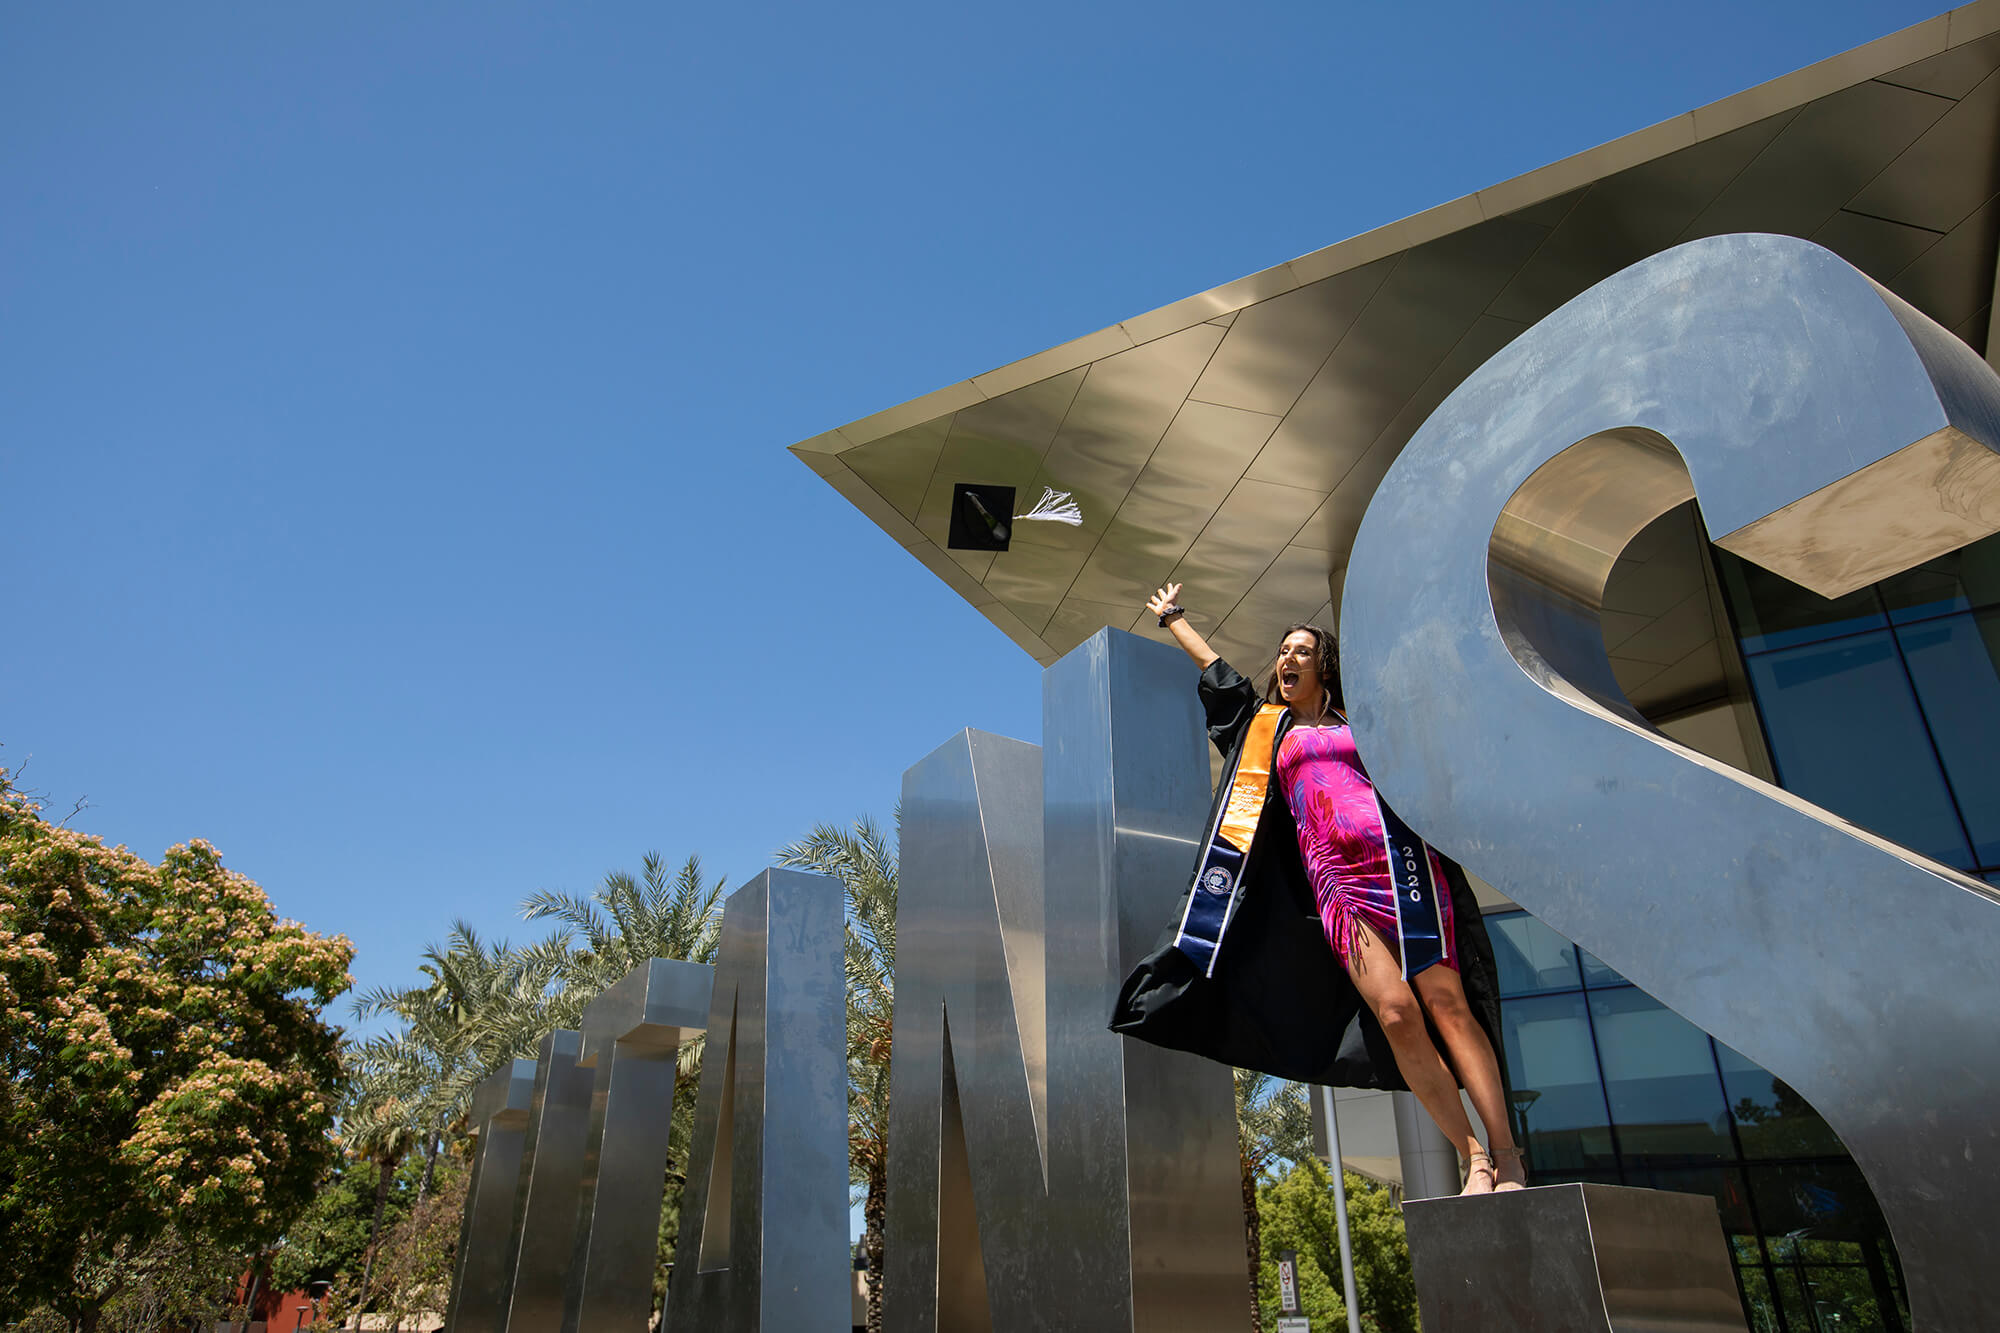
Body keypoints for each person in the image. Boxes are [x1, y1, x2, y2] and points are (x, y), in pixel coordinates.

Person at [1111, 583, 1526, 1194]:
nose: (1287, 659)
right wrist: (1175, 620)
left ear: (1322, 665)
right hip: (1338, 888)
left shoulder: (1363, 722)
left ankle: (1507, 1152)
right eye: (1282, 652)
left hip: (1403, 871)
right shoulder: (1267, 732)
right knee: (1395, 1013)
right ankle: (1473, 1157)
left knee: (1448, 1006)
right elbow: (1220, 677)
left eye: (1300, 651)